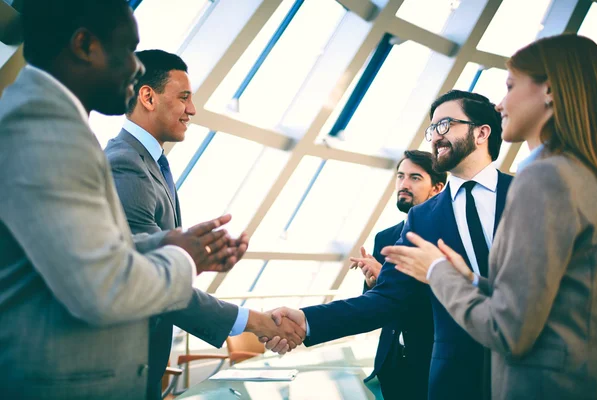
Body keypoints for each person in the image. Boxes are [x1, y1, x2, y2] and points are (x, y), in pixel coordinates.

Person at [0, 1, 303, 399]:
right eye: (128, 49)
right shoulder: (47, 130)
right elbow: (104, 286)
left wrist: (166, 243)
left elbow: (87, 251)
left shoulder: (53, 122)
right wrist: (185, 258)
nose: (135, 66)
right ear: (83, 44)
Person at [386, 34, 597, 400]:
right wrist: (472, 281)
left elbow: (509, 331)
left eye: (511, 86)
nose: (500, 104)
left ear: (549, 90)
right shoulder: (582, 174)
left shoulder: (543, 178)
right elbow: (564, 300)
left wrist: (438, 272)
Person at [265, 89, 511, 400]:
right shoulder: (422, 218)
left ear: (481, 133)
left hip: (538, 373)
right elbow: (387, 299)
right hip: (456, 383)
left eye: (445, 125)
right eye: (431, 129)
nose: (435, 137)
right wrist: (307, 319)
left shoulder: (528, 193)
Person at [104, 49, 279, 400]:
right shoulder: (126, 165)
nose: (192, 110)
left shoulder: (150, 163)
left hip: (142, 370)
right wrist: (254, 321)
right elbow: (152, 278)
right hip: (123, 371)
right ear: (148, 97)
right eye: (183, 97)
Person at [349, 150, 445, 399]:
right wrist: (373, 283)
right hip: (391, 366)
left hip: (434, 365)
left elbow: (446, 305)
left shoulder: (446, 239)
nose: (403, 184)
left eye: (415, 178)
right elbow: (376, 310)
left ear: (437, 188)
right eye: (400, 176)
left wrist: (391, 282)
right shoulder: (385, 237)